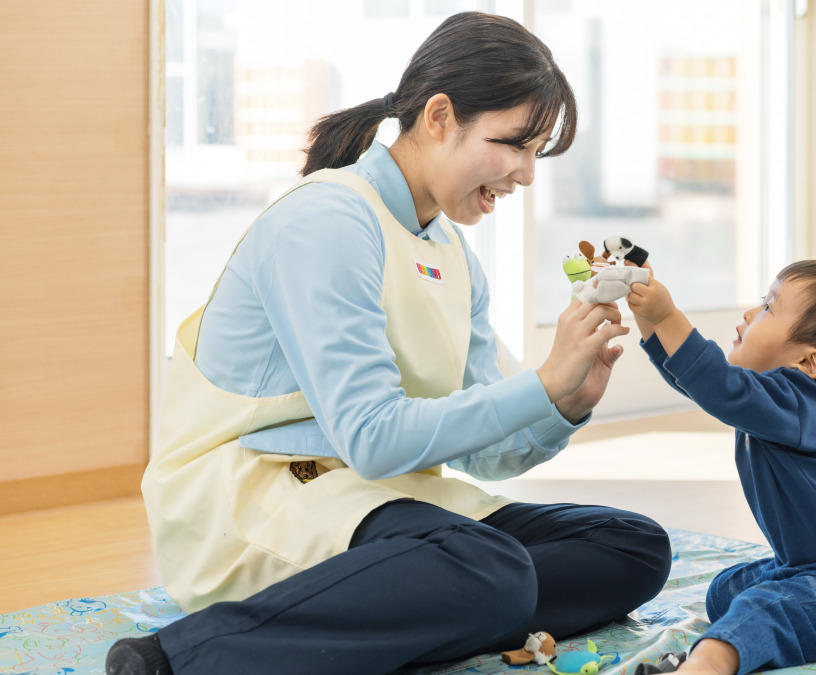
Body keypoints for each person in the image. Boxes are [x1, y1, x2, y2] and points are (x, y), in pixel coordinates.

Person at [107, 12, 671, 675]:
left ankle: (430, 608)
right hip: (258, 492)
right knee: (493, 571)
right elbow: (372, 436)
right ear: (438, 117)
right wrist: (542, 382)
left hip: (381, 493)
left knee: (631, 545)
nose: (524, 174)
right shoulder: (328, 220)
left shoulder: (450, 250)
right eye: (513, 144)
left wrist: (567, 399)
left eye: (534, 152)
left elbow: (489, 455)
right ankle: (173, 659)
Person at [624, 260, 816, 675]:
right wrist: (647, 319)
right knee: (724, 592)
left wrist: (667, 317)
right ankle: (754, 634)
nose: (750, 314)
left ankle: (704, 668)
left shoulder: (799, 404)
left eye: (768, 307)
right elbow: (697, 382)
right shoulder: (771, 404)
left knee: (762, 606)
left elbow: (717, 385)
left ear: (807, 363)